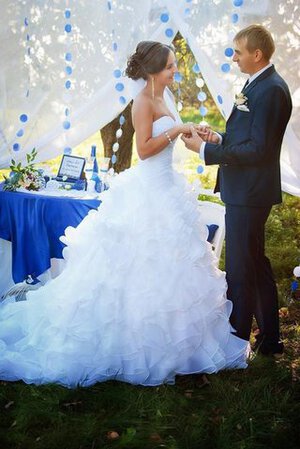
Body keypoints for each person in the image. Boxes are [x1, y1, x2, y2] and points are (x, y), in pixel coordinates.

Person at [0, 41, 248, 388]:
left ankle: (179, 347)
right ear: (151, 71)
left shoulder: (167, 99)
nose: (175, 70)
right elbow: (144, 150)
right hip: (147, 192)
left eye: (174, 65)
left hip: (168, 190)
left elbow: (170, 138)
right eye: (170, 66)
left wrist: (191, 130)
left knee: (173, 269)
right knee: (134, 267)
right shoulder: (143, 102)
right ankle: (132, 345)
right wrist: (175, 130)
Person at [182, 25, 292, 356]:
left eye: (238, 51)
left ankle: (235, 343)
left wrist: (205, 153)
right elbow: (251, 139)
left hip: (250, 192)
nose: (234, 57)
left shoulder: (271, 90)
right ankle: (270, 340)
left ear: (257, 54)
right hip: (247, 190)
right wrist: (218, 138)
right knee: (255, 264)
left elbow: (259, 150)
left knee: (242, 269)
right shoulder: (259, 84)